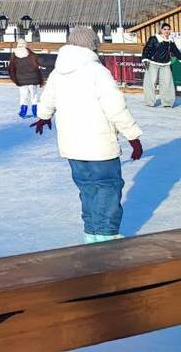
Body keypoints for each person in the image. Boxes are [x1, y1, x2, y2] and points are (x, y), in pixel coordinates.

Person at [32, 26, 142, 243]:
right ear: (92, 46)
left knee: (87, 188)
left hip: (72, 145)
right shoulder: (97, 72)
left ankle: (91, 233)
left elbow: (47, 99)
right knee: (107, 186)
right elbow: (116, 107)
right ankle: (106, 234)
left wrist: (44, 116)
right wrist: (133, 136)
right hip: (99, 145)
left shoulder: (58, 72)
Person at [141, 23, 181, 109]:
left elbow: (176, 51)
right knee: (150, 83)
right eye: (164, 29)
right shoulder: (154, 39)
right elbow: (147, 49)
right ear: (161, 30)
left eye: (168, 29)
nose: (166, 31)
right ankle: (149, 102)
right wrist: (145, 59)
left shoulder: (170, 41)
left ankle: (167, 103)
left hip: (165, 64)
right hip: (153, 63)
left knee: (167, 83)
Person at [9, 39, 44, 118]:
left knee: (23, 96)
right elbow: (41, 61)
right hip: (33, 80)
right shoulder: (31, 54)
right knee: (34, 96)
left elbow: (11, 69)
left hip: (21, 81)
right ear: (25, 45)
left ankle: (23, 112)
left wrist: (15, 79)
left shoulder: (14, 55)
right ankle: (35, 112)